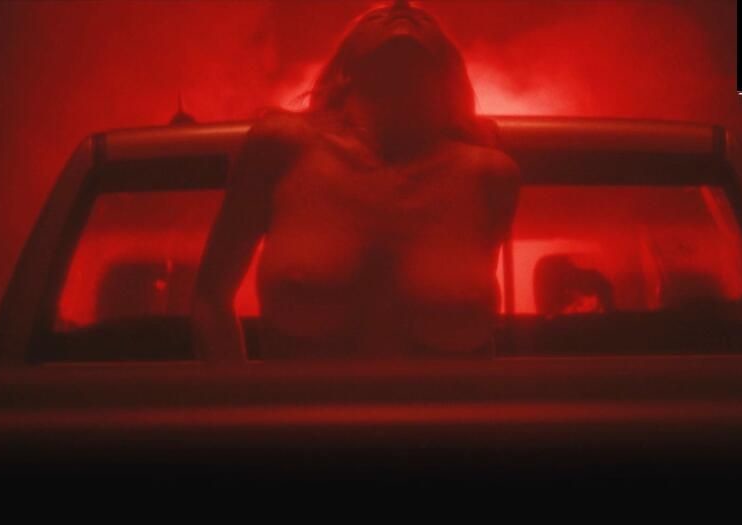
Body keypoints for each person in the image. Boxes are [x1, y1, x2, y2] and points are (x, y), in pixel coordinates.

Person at [192, 0, 521, 361]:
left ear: (447, 74)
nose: (401, 7)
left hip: (449, 401)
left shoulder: (488, 174)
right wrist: (237, 392)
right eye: (377, 17)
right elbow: (210, 297)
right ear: (345, 70)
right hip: (304, 400)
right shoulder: (282, 147)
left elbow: (478, 337)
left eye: (422, 18)